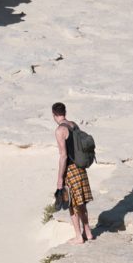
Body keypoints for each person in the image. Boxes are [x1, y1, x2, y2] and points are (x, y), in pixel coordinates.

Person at [53, 102, 94, 244]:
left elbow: (63, 156)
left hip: (70, 170)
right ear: (65, 112)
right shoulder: (73, 124)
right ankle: (88, 232)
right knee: (82, 202)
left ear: (54, 115)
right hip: (81, 168)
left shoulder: (60, 131)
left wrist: (60, 178)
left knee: (71, 203)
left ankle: (78, 236)